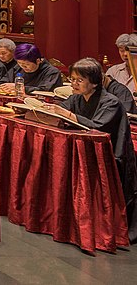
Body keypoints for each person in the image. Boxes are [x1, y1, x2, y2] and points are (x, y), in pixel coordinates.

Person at [52, 58, 137, 242]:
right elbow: (60, 109)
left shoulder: (111, 102)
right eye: (72, 79)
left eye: (79, 80)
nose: (73, 84)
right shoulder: (76, 98)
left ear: (95, 82)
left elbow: (99, 127)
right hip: (87, 151)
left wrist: (68, 115)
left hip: (111, 154)